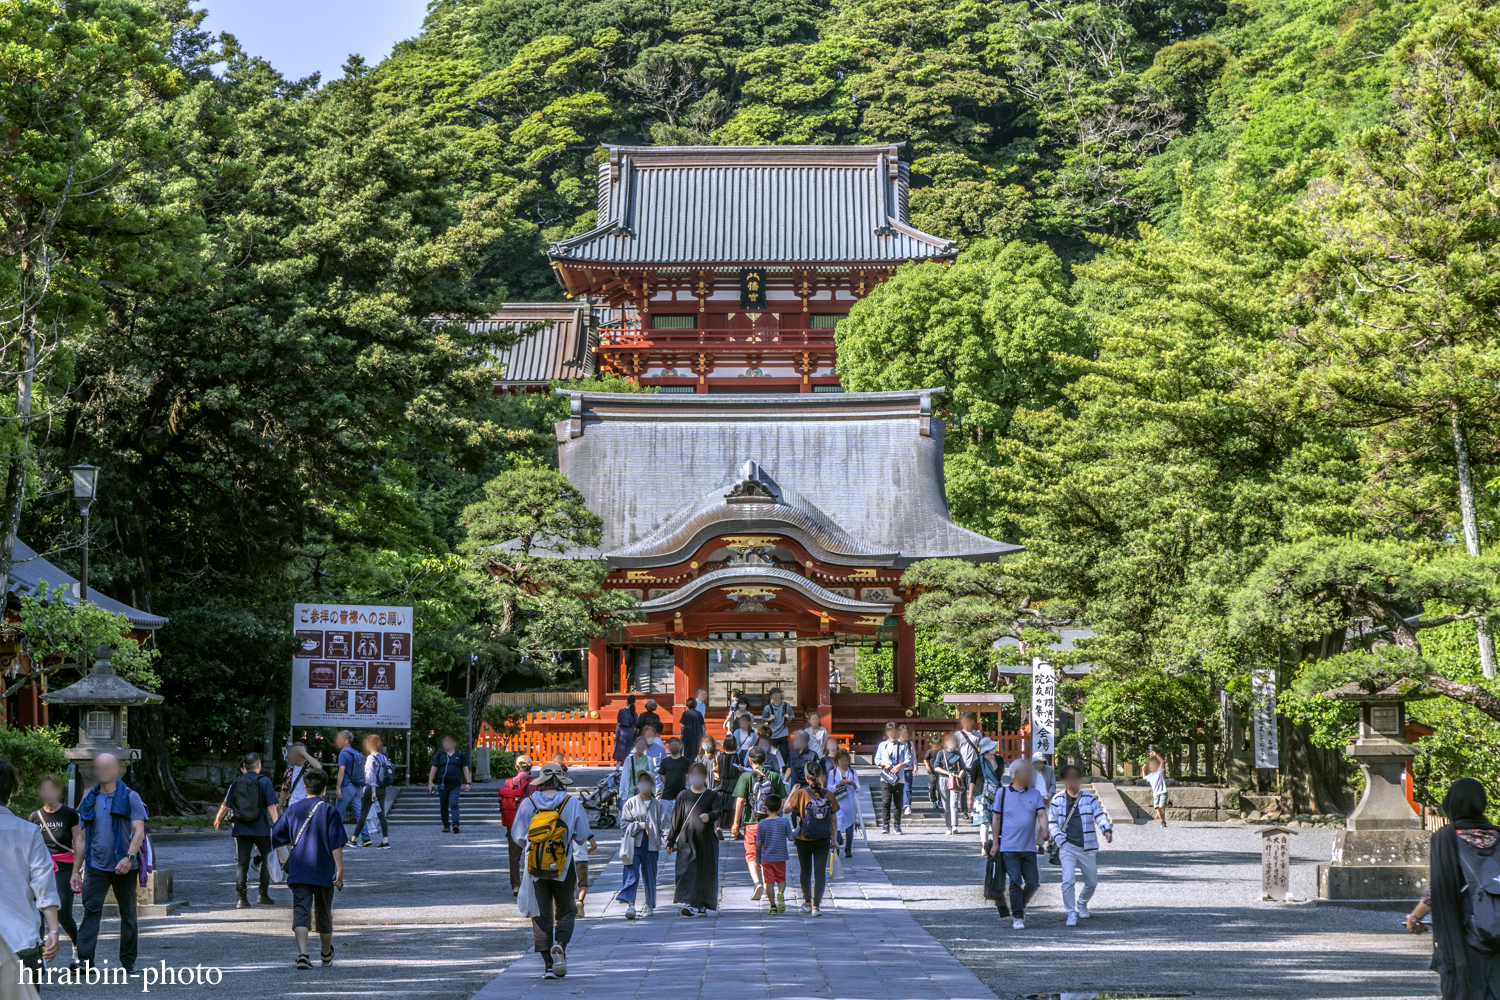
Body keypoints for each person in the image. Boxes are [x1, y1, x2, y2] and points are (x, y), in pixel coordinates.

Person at [1406, 777, 1500, 1000]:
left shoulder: (1446, 838)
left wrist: (1415, 916)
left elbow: (1438, 888)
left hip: (1464, 934)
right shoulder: (1498, 835)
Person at [510, 763, 595, 979]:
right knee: (566, 910)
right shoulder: (572, 802)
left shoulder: (528, 803)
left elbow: (518, 836)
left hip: (535, 869)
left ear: (541, 781)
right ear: (561, 780)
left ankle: (548, 965)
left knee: (541, 913)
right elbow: (582, 835)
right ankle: (560, 945)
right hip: (563, 866)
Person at [74, 753, 146, 973]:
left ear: (117, 770)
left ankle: (128, 961)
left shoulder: (130, 797)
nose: (103, 771)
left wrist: (129, 857)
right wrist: (76, 870)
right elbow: (81, 838)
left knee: (128, 913)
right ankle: (84, 962)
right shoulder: (88, 800)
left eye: (107, 766)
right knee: (91, 910)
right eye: (99, 767)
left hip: (124, 865)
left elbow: (139, 831)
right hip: (96, 865)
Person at [271, 769, 346, 969]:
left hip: (299, 868)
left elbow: (277, 835)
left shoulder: (293, 809)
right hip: (323, 869)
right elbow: (335, 843)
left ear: (305, 787)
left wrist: (295, 839)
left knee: (301, 911)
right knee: (324, 912)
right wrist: (340, 868)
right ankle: (325, 953)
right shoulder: (330, 811)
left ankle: (303, 954)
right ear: (325, 789)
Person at [1, 759, 61, 984]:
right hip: (21, 940)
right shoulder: (28, 831)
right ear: (11, 791)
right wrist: (53, 931)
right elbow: (44, 884)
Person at [213, 752, 281, 908]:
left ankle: (241, 899)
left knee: (242, 864)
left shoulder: (236, 782)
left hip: (241, 828)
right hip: (261, 829)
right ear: (259, 765)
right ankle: (263, 894)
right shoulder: (264, 781)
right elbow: (271, 806)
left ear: (244, 766)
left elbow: (226, 805)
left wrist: (217, 818)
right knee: (266, 860)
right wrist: (277, 824)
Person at [1048, 764, 1113, 926]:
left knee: (1092, 882)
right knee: (1068, 880)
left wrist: (1106, 829)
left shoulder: (1089, 798)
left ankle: (1082, 903)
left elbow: (1100, 815)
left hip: (1087, 846)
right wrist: (1059, 839)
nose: (1073, 780)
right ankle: (1070, 913)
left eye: (1076, 777)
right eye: (1069, 777)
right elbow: (1052, 822)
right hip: (1067, 846)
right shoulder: (1057, 799)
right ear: (1064, 781)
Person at [989, 759, 1049, 929]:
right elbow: (996, 818)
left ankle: (1019, 905)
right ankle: (1018, 916)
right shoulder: (1002, 793)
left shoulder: (1035, 794)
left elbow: (1042, 814)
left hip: (1029, 847)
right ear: (1017, 774)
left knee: (1033, 882)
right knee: (1015, 881)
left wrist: (1045, 830)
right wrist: (995, 843)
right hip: (1009, 847)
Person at [29, 774, 81, 955]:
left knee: (64, 912)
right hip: (40, 868)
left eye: (52, 789)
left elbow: (79, 841)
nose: (48, 793)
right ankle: (40, 953)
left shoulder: (70, 814)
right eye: (44, 790)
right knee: (39, 912)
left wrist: (77, 870)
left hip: (64, 866)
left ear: (59, 791)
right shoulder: (35, 817)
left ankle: (76, 945)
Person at [730, 747, 787, 901]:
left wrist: (735, 823)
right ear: (765, 760)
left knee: (751, 855)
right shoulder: (774, 776)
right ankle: (771, 887)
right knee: (767, 855)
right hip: (771, 823)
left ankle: (757, 883)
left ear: (750, 761)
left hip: (751, 823)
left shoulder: (745, 777)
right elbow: (781, 799)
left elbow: (740, 801)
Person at [785, 761, 841, 916]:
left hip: (803, 837)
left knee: (805, 871)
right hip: (823, 838)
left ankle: (807, 903)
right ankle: (816, 906)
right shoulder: (828, 795)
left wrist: (792, 792)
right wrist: (835, 840)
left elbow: (785, 809)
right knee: (820, 872)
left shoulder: (800, 793)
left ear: (806, 777)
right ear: (821, 776)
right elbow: (834, 820)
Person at [666, 761, 720, 916]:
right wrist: (671, 839)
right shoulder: (683, 795)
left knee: (706, 871)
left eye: (698, 775)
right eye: (692, 775)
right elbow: (676, 819)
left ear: (704, 776)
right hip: (687, 839)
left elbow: (718, 810)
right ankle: (689, 902)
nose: (694, 778)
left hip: (706, 840)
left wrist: (709, 816)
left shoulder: (712, 795)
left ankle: (703, 903)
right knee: (686, 870)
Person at [617, 770, 669, 919]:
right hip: (633, 843)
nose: (643, 784)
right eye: (641, 781)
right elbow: (624, 825)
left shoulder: (658, 805)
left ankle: (649, 904)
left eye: (646, 781)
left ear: (652, 785)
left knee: (650, 875)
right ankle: (630, 905)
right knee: (631, 874)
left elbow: (665, 825)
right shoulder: (630, 803)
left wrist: (669, 841)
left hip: (651, 844)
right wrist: (640, 825)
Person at [498, 755, 534, 896]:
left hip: (513, 822)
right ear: (530, 768)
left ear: (516, 767)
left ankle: (515, 885)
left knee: (514, 855)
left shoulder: (508, 783)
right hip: (531, 822)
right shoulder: (535, 783)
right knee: (531, 853)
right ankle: (530, 882)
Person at [753, 794, 792, 915]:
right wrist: (799, 828)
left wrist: (758, 858)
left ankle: (772, 906)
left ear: (766, 808)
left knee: (769, 882)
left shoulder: (762, 823)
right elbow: (791, 837)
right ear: (780, 808)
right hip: (780, 857)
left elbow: (758, 843)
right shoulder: (784, 821)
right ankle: (780, 893)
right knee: (781, 879)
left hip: (767, 857)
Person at [427, 733, 471, 834]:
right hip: (442, 785)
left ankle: (455, 824)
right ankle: (446, 825)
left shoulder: (459, 754)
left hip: (455, 785)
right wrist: (430, 782)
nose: (446, 743)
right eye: (445, 741)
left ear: (454, 743)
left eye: (448, 741)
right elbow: (433, 768)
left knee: (453, 803)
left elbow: (465, 768)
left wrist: (468, 783)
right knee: (443, 805)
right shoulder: (439, 754)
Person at [354, 734, 392, 849]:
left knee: (363, 814)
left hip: (372, 789)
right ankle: (385, 841)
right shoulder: (383, 757)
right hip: (382, 789)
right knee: (381, 815)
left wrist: (373, 792)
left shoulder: (371, 758)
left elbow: (371, 776)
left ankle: (353, 839)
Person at [874, 722, 910, 834]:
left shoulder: (903, 746)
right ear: (887, 732)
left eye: (894, 731)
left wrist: (899, 765)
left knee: (898, 803)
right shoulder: (882, 745)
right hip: (886, 777)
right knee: (886, 801)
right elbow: (876, 760)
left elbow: (908, 760)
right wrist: (885, 764)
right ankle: (885, 825)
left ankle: (897, 825)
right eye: (890, 731)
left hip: (899, 777)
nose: (892, 733)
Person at [829, 750, 861, 858]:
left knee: (849, 826)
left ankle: (848, 848)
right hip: (838, 802)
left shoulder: (852, 772)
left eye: (846, 760)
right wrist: (839, 784)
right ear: (837, 761)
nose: (844, 762)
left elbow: (858, 787)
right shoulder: (832, 773)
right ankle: (836, 848)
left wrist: (852, 783)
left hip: (850, 802)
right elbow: (829, 788)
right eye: (841, 760)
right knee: (837, 825)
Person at [973, 738, 1002, 855]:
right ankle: (984, 846)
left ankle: (996, 843)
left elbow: (999, 773)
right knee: (984, 822)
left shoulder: (998, 759)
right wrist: (970, 797)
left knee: (996, 820)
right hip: (981, 795)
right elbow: (972, 781)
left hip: (996, 794)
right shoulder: (977, 763)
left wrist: (991, 760)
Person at [933, 735, 966, 834]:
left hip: (954, 779)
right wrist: (947, 773)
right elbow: (936, 767)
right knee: (946, 804)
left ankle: (954, 826)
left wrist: (959, 775)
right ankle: (948, 826)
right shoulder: (941, 753)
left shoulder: (958, 754)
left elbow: (963, 767)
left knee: (954, 803)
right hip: (944, 779)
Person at [954, 712, 983, 810]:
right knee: (962, 789)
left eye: (967, 721)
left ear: (972, 721)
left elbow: (981, 749)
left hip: (974, 765)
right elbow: (954, 750)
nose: (965, 723)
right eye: (963, 721)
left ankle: (973, 811)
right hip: (962, 766)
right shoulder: (957, 735)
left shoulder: (978, 734)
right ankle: (964, 811)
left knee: (974, 789)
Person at [333, 730, 363, 824]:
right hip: (357, 786)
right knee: (359, 815)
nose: (337, 741)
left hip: (346, 786)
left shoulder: (343, 753)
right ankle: (366, 838)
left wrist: (338, 788)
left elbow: (341, 772)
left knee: (338, 814)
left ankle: (337, 838)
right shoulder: (355, 752)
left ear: (346, 740)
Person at [280, 743, 323, 810]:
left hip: (307, 806)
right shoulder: (290, 769)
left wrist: (304, 753)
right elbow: (285, 789)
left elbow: (319, 767)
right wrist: (279, 808)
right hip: (292, 806)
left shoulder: (311, 768)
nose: (291, 756)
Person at [713, 736, 741, 828]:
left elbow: (720, 769)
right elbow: (739, 770)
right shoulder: (738, 756)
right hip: (734, 784)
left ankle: (719, 828)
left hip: (723, 783)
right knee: (734, 807)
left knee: (721, 806)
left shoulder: (721, 756)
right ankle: (734, 827)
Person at [761, 688, 792, 761]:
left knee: (784, 753)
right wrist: (769, 718)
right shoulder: (768, 707)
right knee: (772, 754)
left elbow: (791, 717)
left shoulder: (786, 706)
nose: (776, 695)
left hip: (783, 733)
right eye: (774, 694)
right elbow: (763, 719)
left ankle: (784, 770)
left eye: (778, 693)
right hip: (772, 734)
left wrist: (788, 717)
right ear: (771, 696)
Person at [657, 737, 691, 802]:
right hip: (667, 795)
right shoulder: (664, 761)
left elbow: (687, 775)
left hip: (682, 794)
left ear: (680, 746)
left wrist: (681, 783)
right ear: (669, 747)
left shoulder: (686, 761)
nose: (674, 747)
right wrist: (667, 783)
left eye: (676, 745)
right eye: (672, 745)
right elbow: (662, 776)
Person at [1144, 748, 1169, 827]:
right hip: (1155, 794)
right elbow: (1144, 777)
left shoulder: (1159, 771)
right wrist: (1142, 769)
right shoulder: (1150, 776)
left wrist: (1156, 755)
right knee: (1157, 808)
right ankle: (1162, 821)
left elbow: (1162, 762)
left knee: (1160, 807)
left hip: (1162, 791)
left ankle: (1169, 805)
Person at [613, 695, 639, 764]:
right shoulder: (635, 713)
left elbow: (618, 724)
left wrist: (616, 734)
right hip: (631, 731)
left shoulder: (621, 711)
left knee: (620, 749)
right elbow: (636, 726)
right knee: (630, 749)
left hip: (622, 731)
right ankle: (630, 766)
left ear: (626, 702)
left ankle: (618, 767)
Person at [897, 724, 916, 817]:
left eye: (906, 733)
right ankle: (900, 805)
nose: (904, 735)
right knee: (899, 788)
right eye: (902, 733)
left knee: (908, 788)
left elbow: (913, 756)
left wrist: (915, 767)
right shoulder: (896, 744)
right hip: (898, 770)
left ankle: (907, 805)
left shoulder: (910, 743)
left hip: (908, 769)